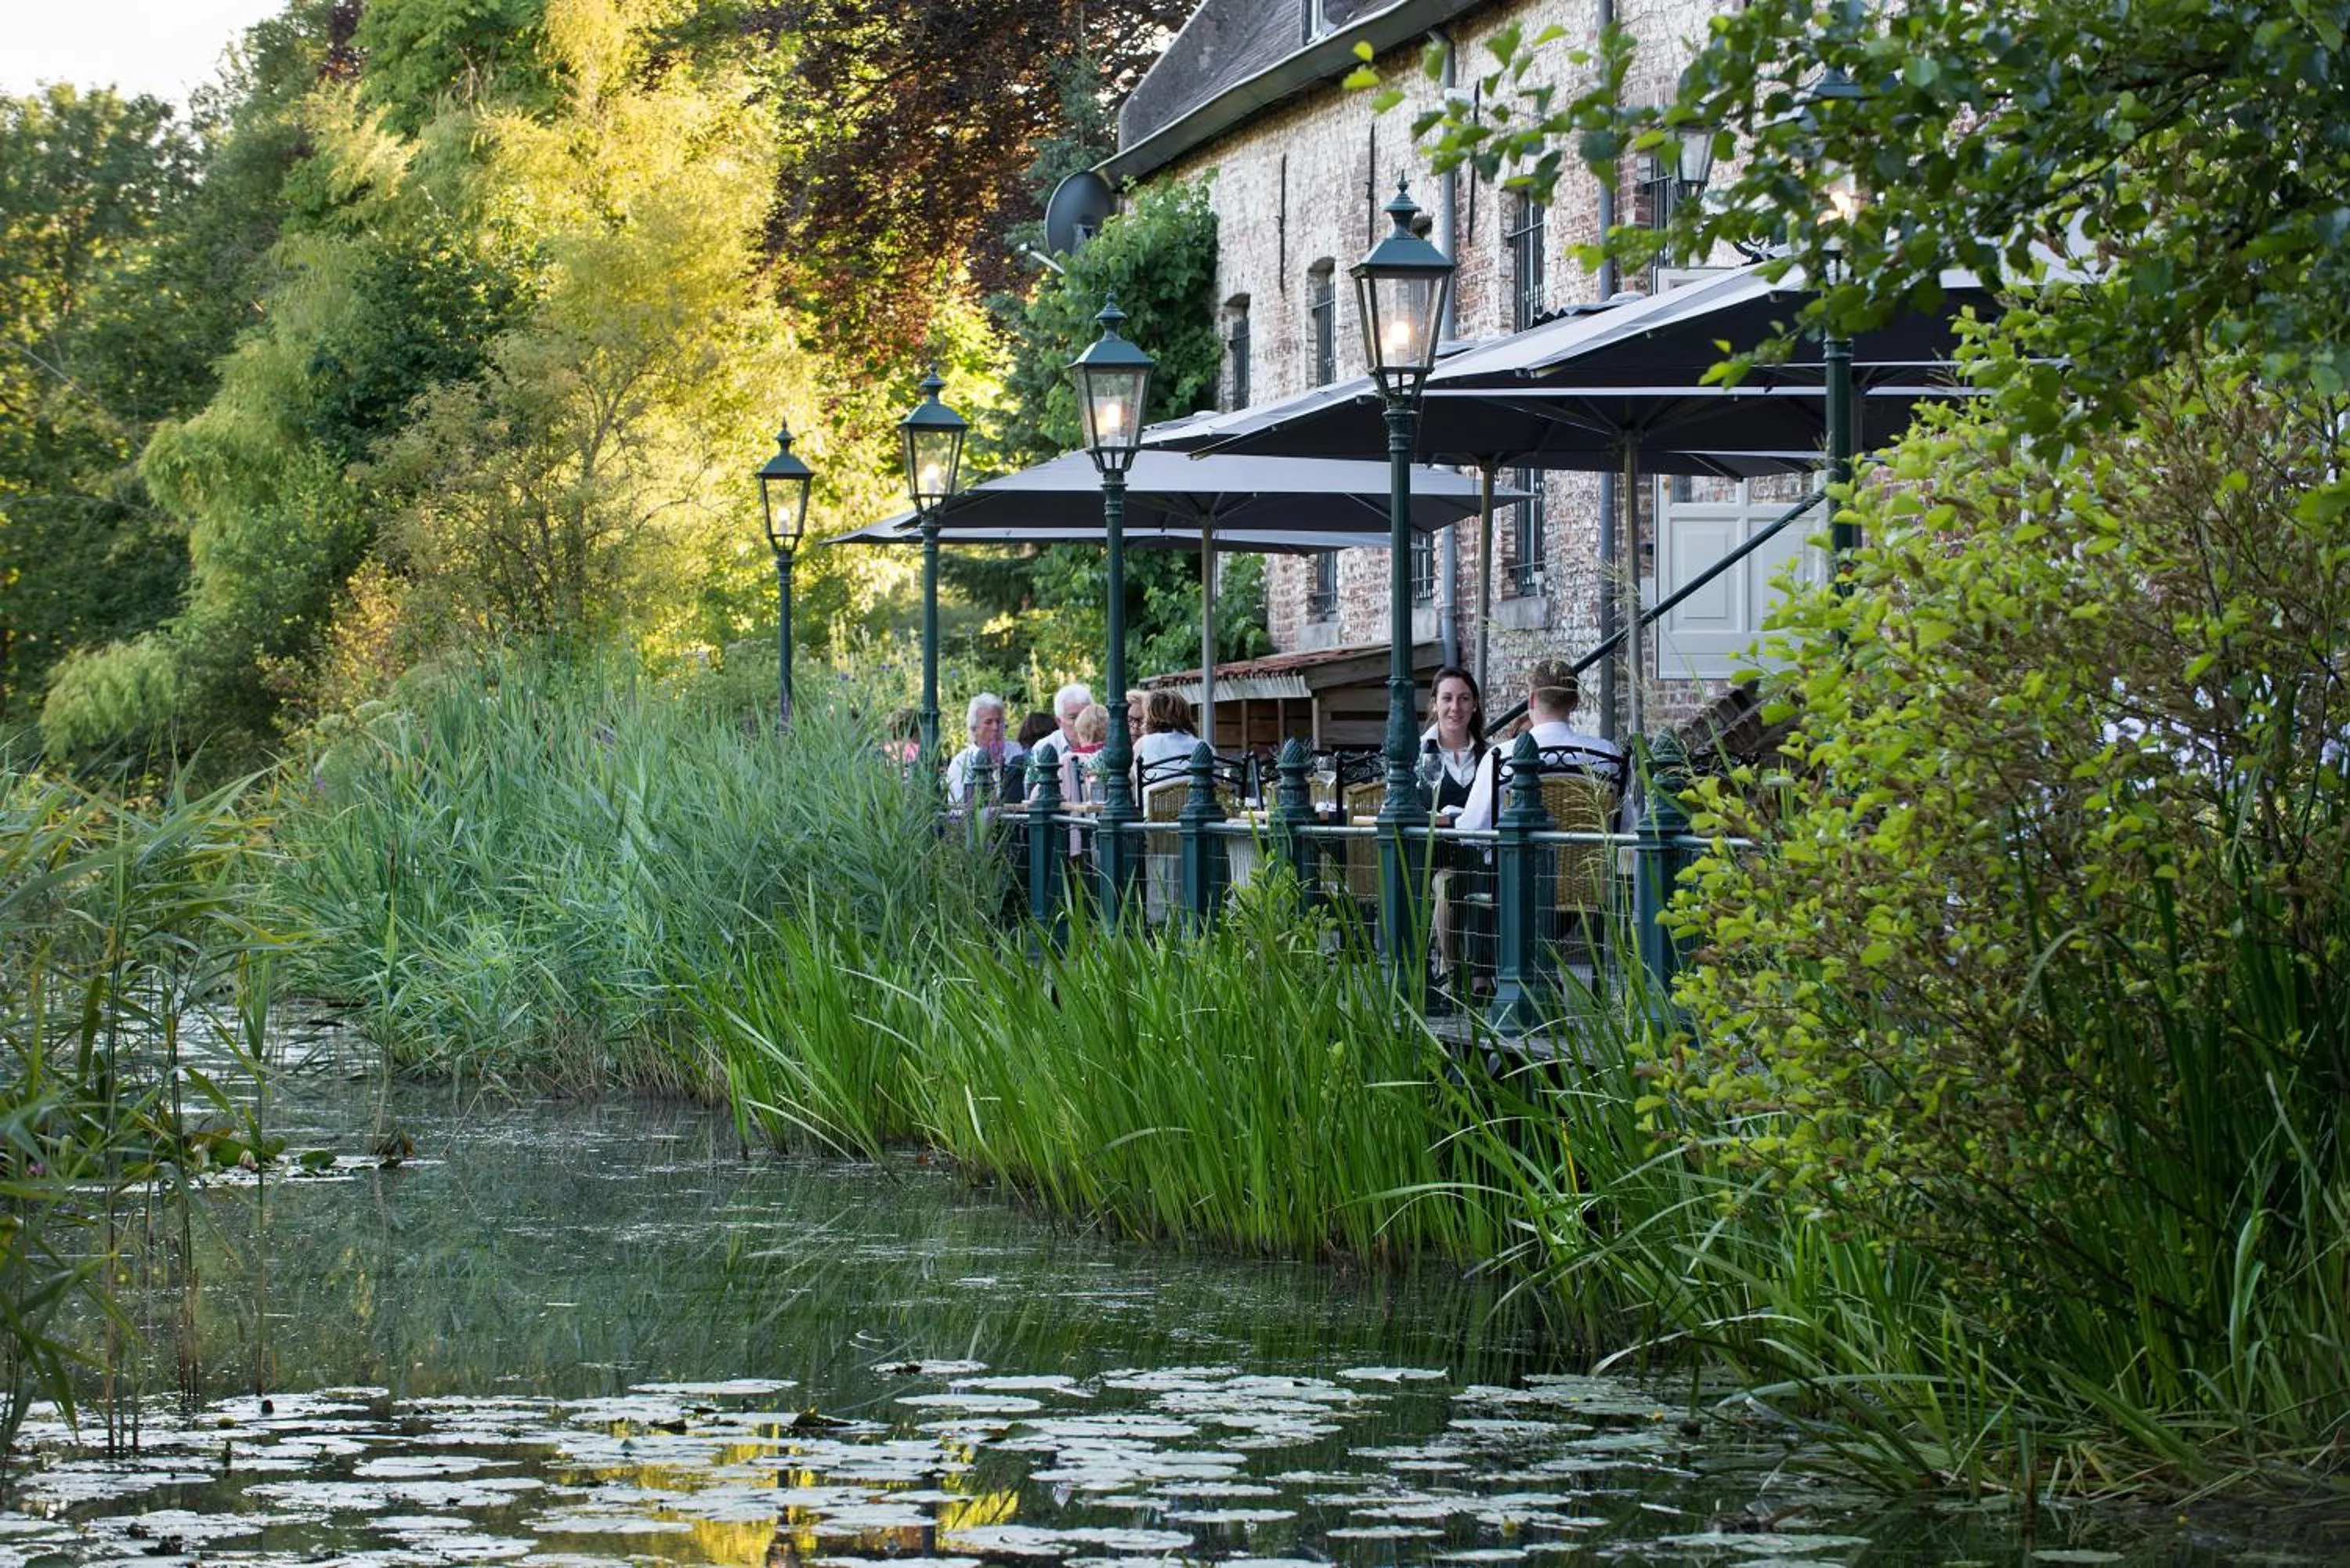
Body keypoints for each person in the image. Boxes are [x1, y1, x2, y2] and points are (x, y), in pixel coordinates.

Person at [1452, 660, 1625, 835]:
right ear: (1575, 703)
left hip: (1516, 862)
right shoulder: (1608, 755)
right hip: (1593, 861)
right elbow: (1626, 827)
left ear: (1532, 699)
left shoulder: (1502, 757)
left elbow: (1472, 832)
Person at [1418, 666, 1488, 821]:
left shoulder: (1489, 756)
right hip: (1428, 844)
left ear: (1475, 704)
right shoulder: (1417, 752)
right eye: (1447, 698)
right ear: (1435, 704)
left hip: (1479, 844)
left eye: (1464, 699)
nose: (1455, 708)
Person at [1022, 681, 1092, 800]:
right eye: (1073, 717)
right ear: (1059, 722)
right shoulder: (1044, 747)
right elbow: (1030, 792)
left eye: (1085, 715)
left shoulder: (1104, 743)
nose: (1081, 723)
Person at [945, 692, 1014, 806]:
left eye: (999, 721)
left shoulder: (1015, 752)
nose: (996, 728)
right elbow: (958, 809)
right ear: (974, 728)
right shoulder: (961, 763)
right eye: (988, 722)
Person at [1133, 688, 1201, 790]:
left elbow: (1131, 782)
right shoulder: (1204, 748)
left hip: (1153, 805)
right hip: (1196, 805)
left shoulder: (1143, 745)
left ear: (1150, 715)